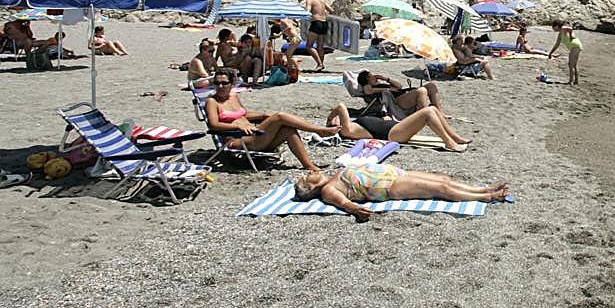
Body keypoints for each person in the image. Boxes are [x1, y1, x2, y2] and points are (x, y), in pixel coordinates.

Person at [204, 68, 336, 171]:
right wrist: (237, 127)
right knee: (279, 116)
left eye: (224, 83)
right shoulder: (212, 101)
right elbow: (213, 125)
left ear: (232, 84)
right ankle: (319, 130)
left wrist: (263, 115)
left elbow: (243, 115)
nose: (220, 86)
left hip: (255, 137)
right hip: (239, 142)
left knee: (288, 130)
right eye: (217, 83)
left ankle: (309, 165)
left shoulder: (233, 97)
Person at [292, 164, 507, 223]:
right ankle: (485, 197)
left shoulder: (331, 177)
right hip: (387, 186)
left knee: (443, 180)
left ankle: (482, 189)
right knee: (440, 189)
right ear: (310, 188)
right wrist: (357, 210)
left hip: (392, 174)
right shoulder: (329, 190)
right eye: (305, 178)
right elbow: (344, 203)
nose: (308, 173)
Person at [325, 102, 471, 152]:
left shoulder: (354, 124)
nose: (338, 118)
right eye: (336, 121)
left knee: (432, 109)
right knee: (427, 112)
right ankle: (448, 142)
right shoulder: (346, 130)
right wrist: (330, 118)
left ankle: (454, 137)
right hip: (393, 135)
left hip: (395, 128)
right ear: (335, 127)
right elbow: (341, 106)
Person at [354, 69, 447, 117]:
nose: (374, 76)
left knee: (431, 86)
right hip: (396, 103)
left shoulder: (381, 84)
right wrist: (387, 90)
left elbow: (399, 86)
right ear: (367, 79)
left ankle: (440, 112)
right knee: (421, 91)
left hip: (402, 97)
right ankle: (427, 116)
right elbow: (368, 91)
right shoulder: (368, 87)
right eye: (371, 76)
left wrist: (385, 79)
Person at [301, 0, 332, 71]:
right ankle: (320, 65)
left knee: (309, 46)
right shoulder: (321, 0)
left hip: (316, 23)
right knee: (320, 47)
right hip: (324, 23)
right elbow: (331, 10)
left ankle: (319, 64)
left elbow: (307, 12)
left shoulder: (310, 0)